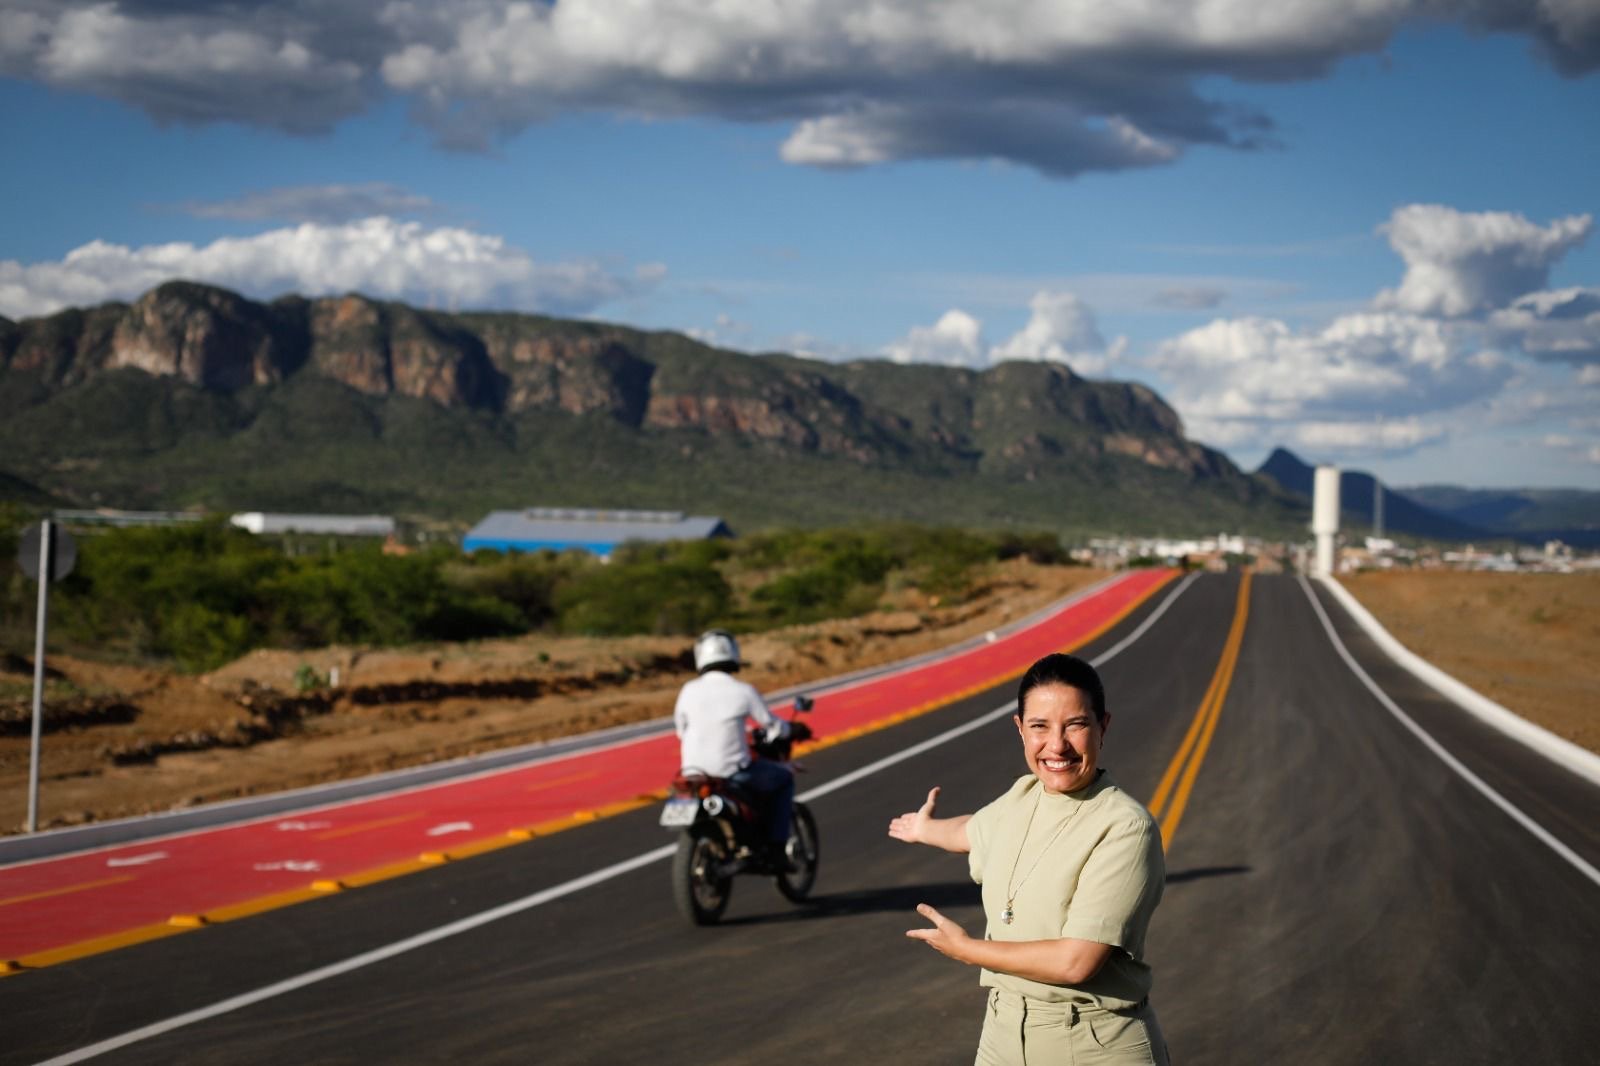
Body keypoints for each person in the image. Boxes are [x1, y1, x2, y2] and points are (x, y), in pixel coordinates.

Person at [888, 653, 1169, 1065]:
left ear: (1102, 726)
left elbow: (1076, 962)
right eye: (1040, 726)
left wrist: (968, 950)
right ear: (1020, 729)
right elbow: (972, 831)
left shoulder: (1125, 827)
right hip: (1002, 1034)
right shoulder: (1021, 797)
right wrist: (924, 829)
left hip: (1093, 1044)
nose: (1057, 745)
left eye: (1076, 724)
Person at [675, 628, 795, 858]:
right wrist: (792, 729)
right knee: (784, 779)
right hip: (731, 774)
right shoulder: (743, 690)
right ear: (732, 653)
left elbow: (681, 731)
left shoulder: (687, 690)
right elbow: (772, 725)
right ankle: (778, 846)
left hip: (692, 774)